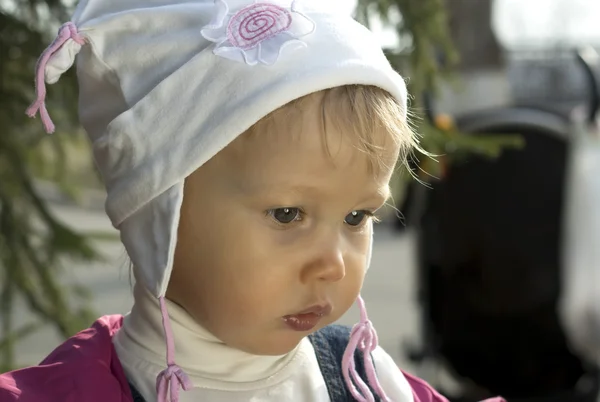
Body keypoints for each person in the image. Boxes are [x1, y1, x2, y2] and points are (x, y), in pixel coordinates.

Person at [0, 0, 504, 401]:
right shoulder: (72, 393)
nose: (332, 264)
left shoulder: (369, 384)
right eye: (288, 214)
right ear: (158, 210)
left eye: (357, 216)